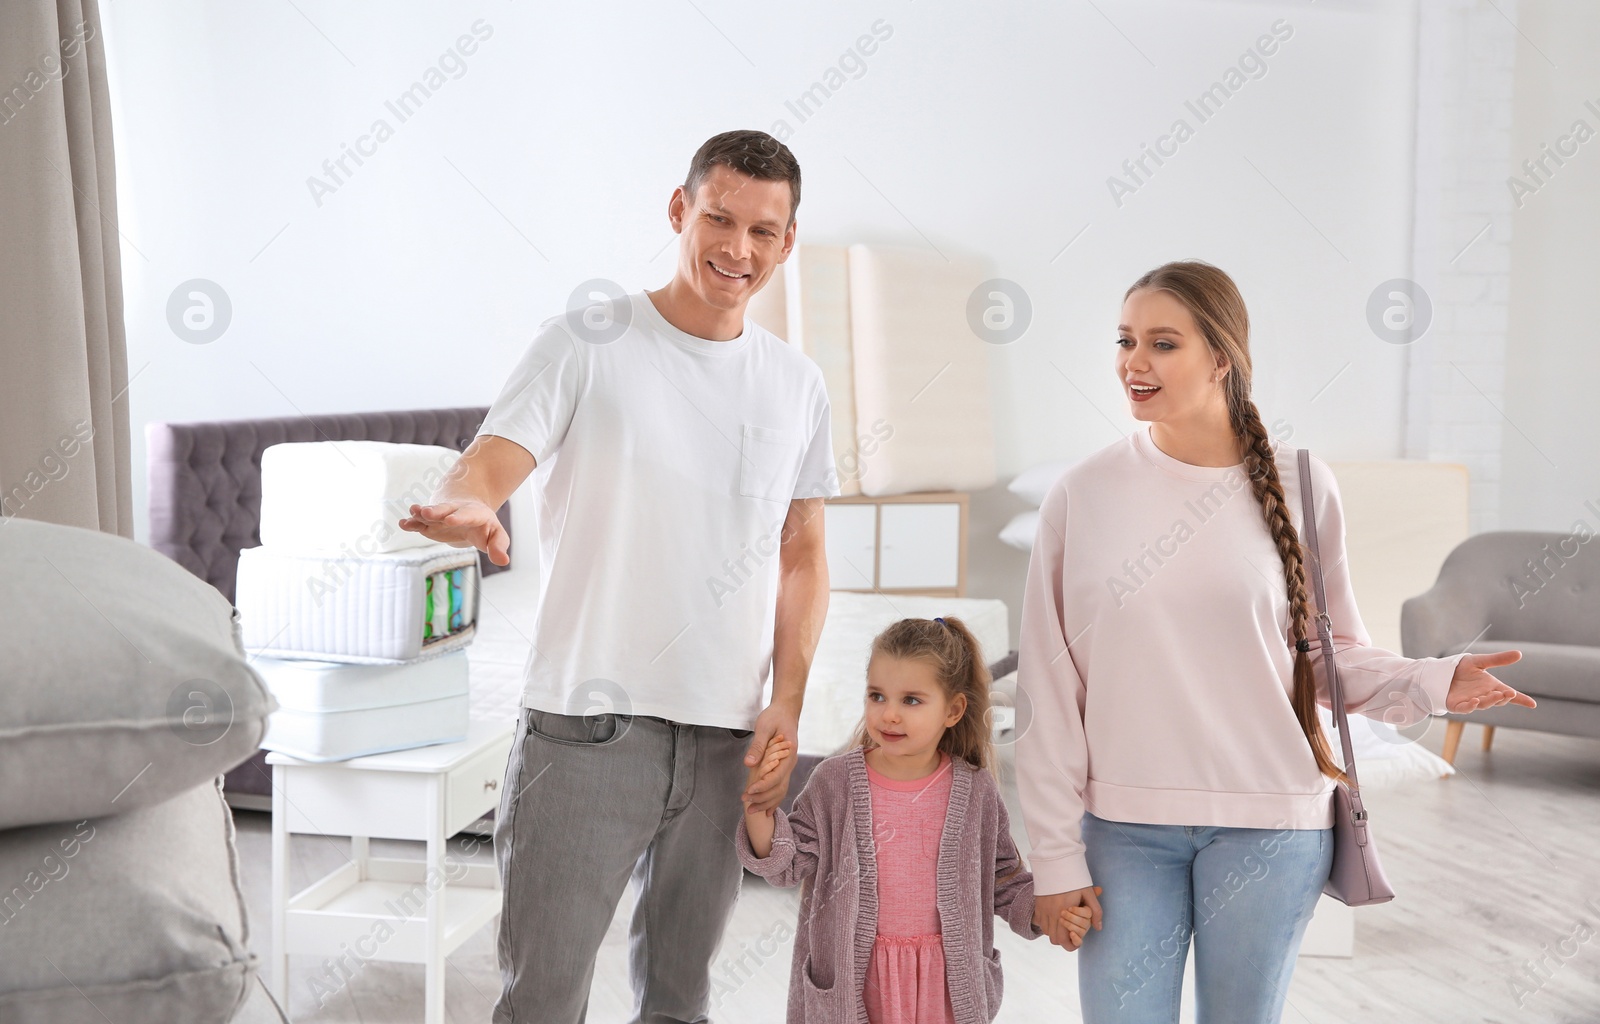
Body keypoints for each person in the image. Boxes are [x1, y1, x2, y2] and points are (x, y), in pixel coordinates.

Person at [1015, 260, 1535, 1023]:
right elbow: (1049, 690)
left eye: (1163, 343)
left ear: (1220, 357)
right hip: (1124, 829)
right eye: (1126, 340)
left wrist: (1430, 680)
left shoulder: (1302, 482)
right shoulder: (1083, 493)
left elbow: (1328, 655)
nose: (1134, 362)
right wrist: (1055, 857)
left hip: (1272, 826)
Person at [398, 129, 838, 1023]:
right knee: (543, 998)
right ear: (680, 210)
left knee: (681, 999)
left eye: (763, 231)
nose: (737, 249)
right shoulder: (586, 341)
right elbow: (490, 460)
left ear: (788, 241)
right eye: (719, 218)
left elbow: (802, 552)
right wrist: (471, 503)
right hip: (586, 728)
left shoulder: (797, 384)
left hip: (725, 737)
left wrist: (786, 699)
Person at [739, 616, 1094, 1023]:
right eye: (877, 696)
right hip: (856, 988)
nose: (889, 714)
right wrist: (760, 808)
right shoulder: (834, 782)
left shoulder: (976, 791)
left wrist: (1050, 913)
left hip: (942, 990)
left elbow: (1005, 882)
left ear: (954, 710)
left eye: (911, 700)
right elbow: (787, 863)